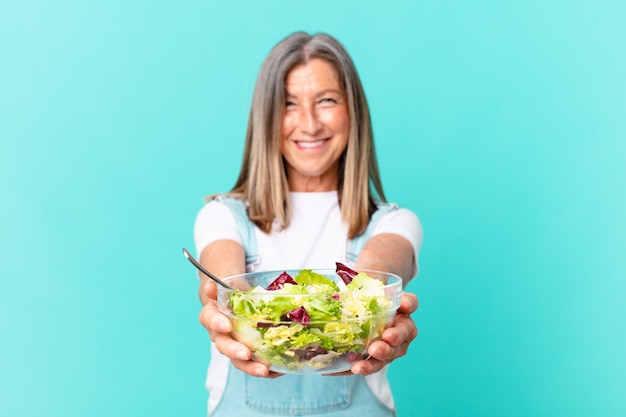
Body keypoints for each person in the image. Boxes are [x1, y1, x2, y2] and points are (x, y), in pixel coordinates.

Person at [193, 31, 423, 417]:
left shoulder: (396, 223)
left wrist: (371, 309)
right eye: (289, 104)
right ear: (266, 118)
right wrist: (219, 313)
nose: (310, 124)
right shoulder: (222, 217)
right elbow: (219, 282)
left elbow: (375, 275)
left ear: (354, 112)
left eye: (327, 101)